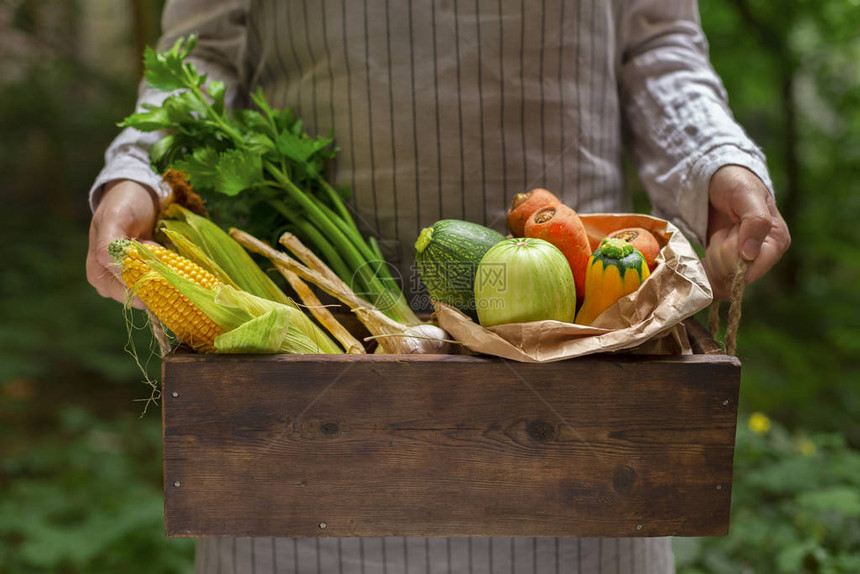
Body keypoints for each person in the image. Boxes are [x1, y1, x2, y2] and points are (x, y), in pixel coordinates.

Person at [86, 1, 790, 572]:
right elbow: (201, 57)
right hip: (305, 454)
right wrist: (138, 172)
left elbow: (658, 46)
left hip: (585, 428)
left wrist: (716, 162)